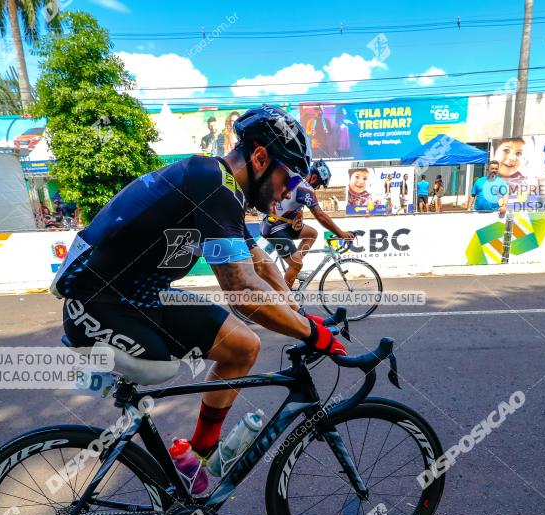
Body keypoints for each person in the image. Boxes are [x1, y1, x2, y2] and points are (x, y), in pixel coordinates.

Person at [52, 106, 346, 485]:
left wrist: (302, 314)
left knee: (243, 347)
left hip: (142, 297)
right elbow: (242, 292)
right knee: (162, 369)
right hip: (97, 304)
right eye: (288, 180)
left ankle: (197, 460)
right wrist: (312, 334)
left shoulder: (225, 193)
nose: (288, 194)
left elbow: (262, 267)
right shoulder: (211, 182)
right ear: (260, 157)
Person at [261, 160, 355, 288]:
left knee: (312, 234)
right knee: (297, 264)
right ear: (314, 177)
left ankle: (292, 271)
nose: (318, 188)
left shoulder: (298, 180)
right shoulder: (305, 188)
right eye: (319, 184)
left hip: (278, 224)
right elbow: (320, 216)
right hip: (274, 228)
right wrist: (341, 233)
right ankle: (284, 301)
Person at [492, 137, 528, 207]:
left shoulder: (524, 183)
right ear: (494, 152)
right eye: (506, 150)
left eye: (518, 153)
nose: (512, 158)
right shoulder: (487, 181)